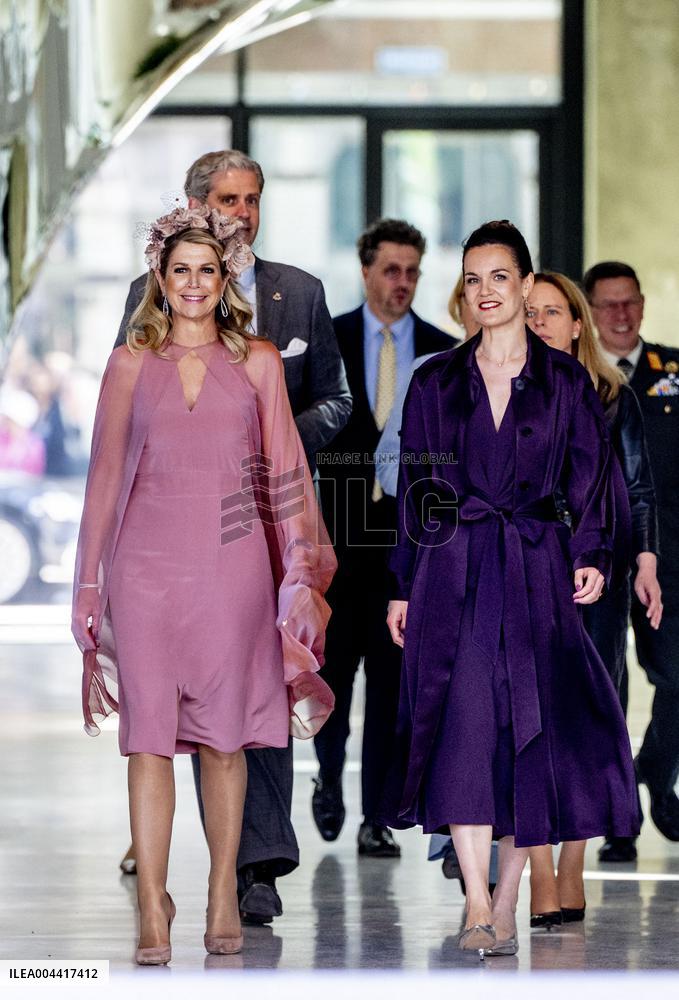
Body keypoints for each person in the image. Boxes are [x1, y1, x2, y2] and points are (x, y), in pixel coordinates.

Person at [72, 208, 336, 964]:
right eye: (180, 269)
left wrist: (300, 572)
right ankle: (153, 901)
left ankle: (223, 887)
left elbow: (285, 474)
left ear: (227, 282)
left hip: (233, 573)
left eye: (207, 271)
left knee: (225, 742)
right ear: (161, 279)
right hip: (144, 573)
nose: (193, 283)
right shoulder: (129, 364)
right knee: (148, 740)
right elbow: (102, 482)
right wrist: (89, 588)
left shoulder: (257, 362)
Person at [384, 220, 639, 959]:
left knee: (529, 730)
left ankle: (506, 897)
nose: (485, 291)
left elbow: (592, 476)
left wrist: (590, 551)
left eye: (499, 277)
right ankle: (472, 899)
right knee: (464, 730)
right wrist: (402, 582)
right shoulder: (434, 379)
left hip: (536, 567)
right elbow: (418, 490)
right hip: (454, 570)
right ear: (461, 294)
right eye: (472, 279)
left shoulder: (563, 380)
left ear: (527, 287)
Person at [312, 219, 454, 856]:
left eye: (413, 271)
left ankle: (376, 815)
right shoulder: (329, 339)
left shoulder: (442, 350)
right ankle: (327, 779)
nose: (402, 282)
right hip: (335, 538)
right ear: (366, 270)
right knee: (333, 673)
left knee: (392, 680)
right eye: (391, 270)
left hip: (403, 548)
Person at [525, 270, 661, 928]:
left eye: (553, 312)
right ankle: (538, 868)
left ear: (576, 323)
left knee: (583, 714)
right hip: (520, 569)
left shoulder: (611, 395)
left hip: (592, 577)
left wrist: (645, 560)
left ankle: (572, 858)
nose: (541, 323)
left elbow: (638, 488)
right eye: (531, 313)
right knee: (527, 717)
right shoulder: (500, 395)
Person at [583, 260, 679, 860]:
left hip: (668, 550)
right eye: (608, 305)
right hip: (594, 550)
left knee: (675, 673)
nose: (621, 314)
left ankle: (653, 767)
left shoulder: (673, 370)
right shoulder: (576, 377)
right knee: (608, 682)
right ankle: (621, 815)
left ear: (642, 304)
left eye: (629, 303)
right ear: (590, 312)